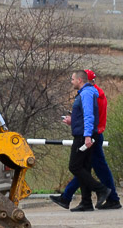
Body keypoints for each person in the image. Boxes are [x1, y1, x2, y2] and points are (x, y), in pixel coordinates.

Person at [51, 69, 121, 210]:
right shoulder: (94, 93)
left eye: (73, 79)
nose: (72, 81)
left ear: (81, 79)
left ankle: (106, 194)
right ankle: (85, 201)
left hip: (89, 135)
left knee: (83, 167)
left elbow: (90, 116)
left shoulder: (89, 94)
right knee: (85, 168)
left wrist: (88, 134)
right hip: (91, 133)